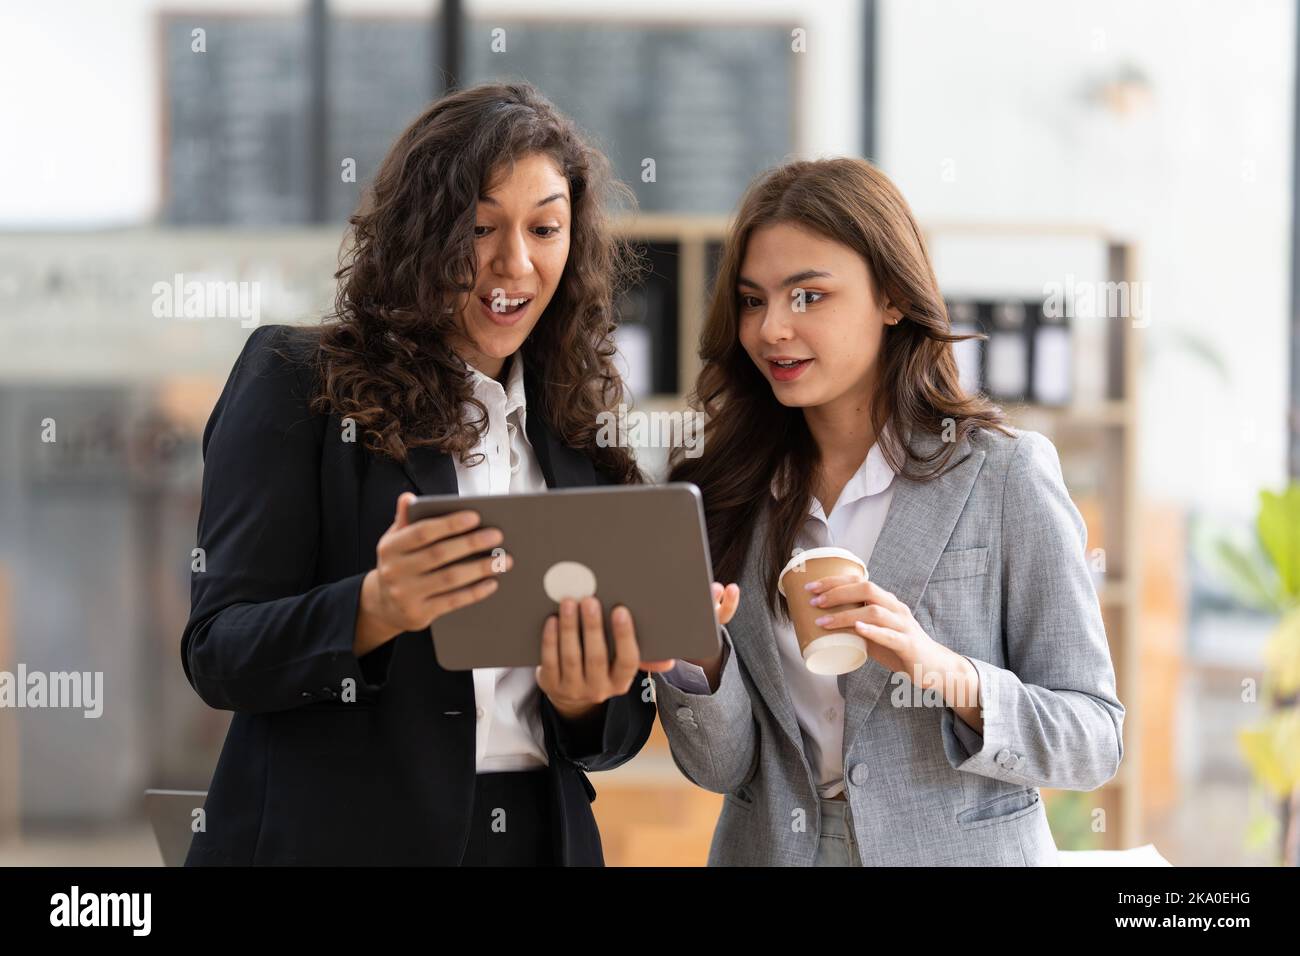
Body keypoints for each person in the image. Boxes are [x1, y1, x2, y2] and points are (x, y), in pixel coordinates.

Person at [181, 82, 669, 866]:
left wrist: (585, 696)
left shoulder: (578, 427)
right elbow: (218, 651)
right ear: (422, 233)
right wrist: (373, 608)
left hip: (537, 841)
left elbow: (611, 737)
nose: (515, 263)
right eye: (480, 227)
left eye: (545, 227)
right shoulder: (295, 379)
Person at [655, 157, 1125, 866]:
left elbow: (1094, 739)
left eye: (807, 296)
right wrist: (698, 662)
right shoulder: (726, 491)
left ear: (892, 298)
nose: (772, 328)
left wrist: (942, 670)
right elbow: (722, 769)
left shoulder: (1003, 475)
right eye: (753, 301)